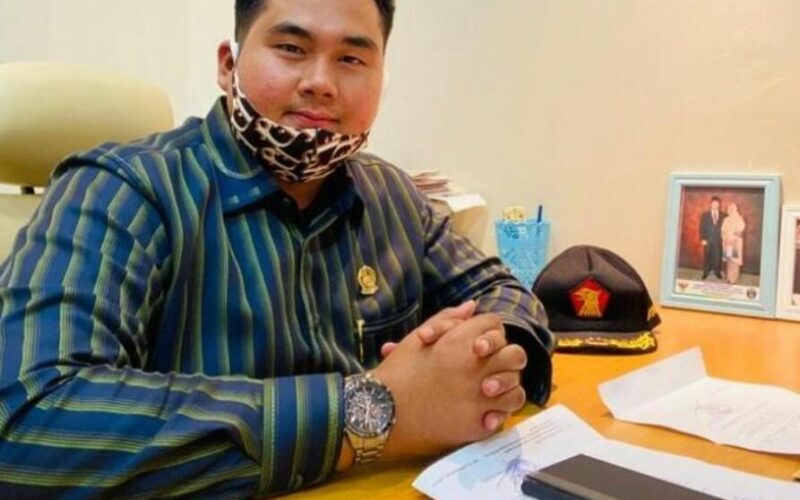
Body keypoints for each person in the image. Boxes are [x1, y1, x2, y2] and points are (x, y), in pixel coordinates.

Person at [0, 0, 554, 497]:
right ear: (228, 65)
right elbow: (27, 418)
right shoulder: (122, 190)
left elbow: (499, 290)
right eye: (291, 48)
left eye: (352, 59)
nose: (321, 82)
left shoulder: (391, 195)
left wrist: (484, 360)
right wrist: (372, 411)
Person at [699, 196, 725, 280]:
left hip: (718, 240)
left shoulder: (724, 215)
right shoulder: (705, 215)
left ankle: (717, 272)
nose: (715, 205)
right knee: (707, 257)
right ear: (710, 204)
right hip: (707, 240)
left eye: (717, 204)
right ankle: (705, 272)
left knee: (717, 257)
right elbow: (701, 227)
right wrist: (702, 239)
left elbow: (727, 228)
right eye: (713, 203)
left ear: (719, 205)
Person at [720, 203, 746, 284]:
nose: (731, 211)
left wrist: (732, 239)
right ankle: (729, 277)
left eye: (732, 209)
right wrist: (725, 239)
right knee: (729, 260)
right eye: (729, 209)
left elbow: (740, 231)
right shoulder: (726, 219)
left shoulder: (739, 219)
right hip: (727, 242)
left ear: (735, 210)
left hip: (735, 242)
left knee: (734, 261)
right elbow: (722, 231)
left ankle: (734, 278)